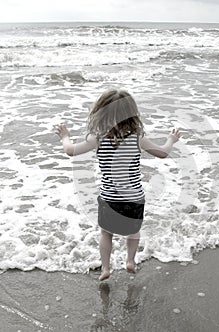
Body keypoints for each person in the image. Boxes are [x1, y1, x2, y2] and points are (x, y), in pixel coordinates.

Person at [54, 88, 180, 281]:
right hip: (135, 198)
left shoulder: (96, 137)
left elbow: (70, 151)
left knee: (106, 232)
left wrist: (64, 137)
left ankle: (105, 268)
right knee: (134, 231)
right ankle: (130, 261)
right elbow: (163, 153)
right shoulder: (137, 138)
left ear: (100, 112)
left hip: (109, 198)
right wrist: (171, 139)